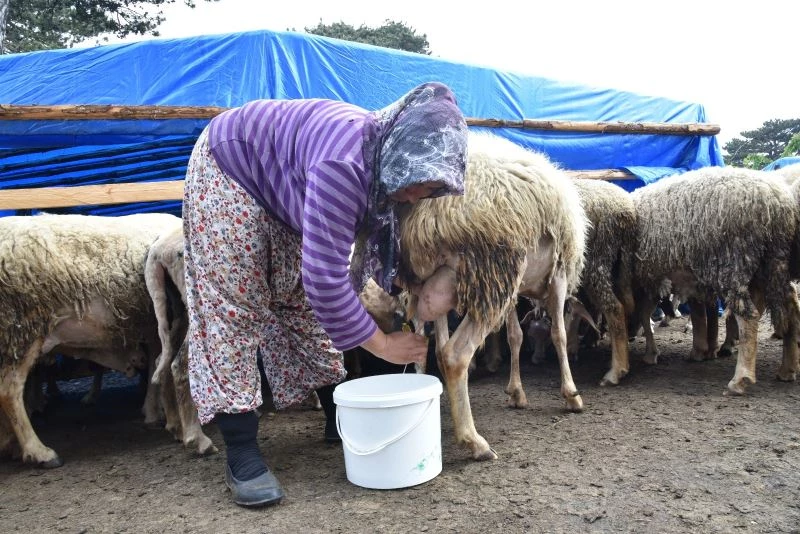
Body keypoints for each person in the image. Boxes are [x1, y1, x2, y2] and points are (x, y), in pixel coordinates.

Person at [182, 81, 469, 508]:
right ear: (399, 153)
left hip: (283, 186)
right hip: (231, 166)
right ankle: (241, 452)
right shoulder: (346, 166)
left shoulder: (386, 166)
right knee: (234, 304)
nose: (414, 195)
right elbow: (325, 280)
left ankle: (342, 413)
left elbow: (337, 273)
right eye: (415, 182)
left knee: (298, 301)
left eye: (427, 189)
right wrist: (383, 344)